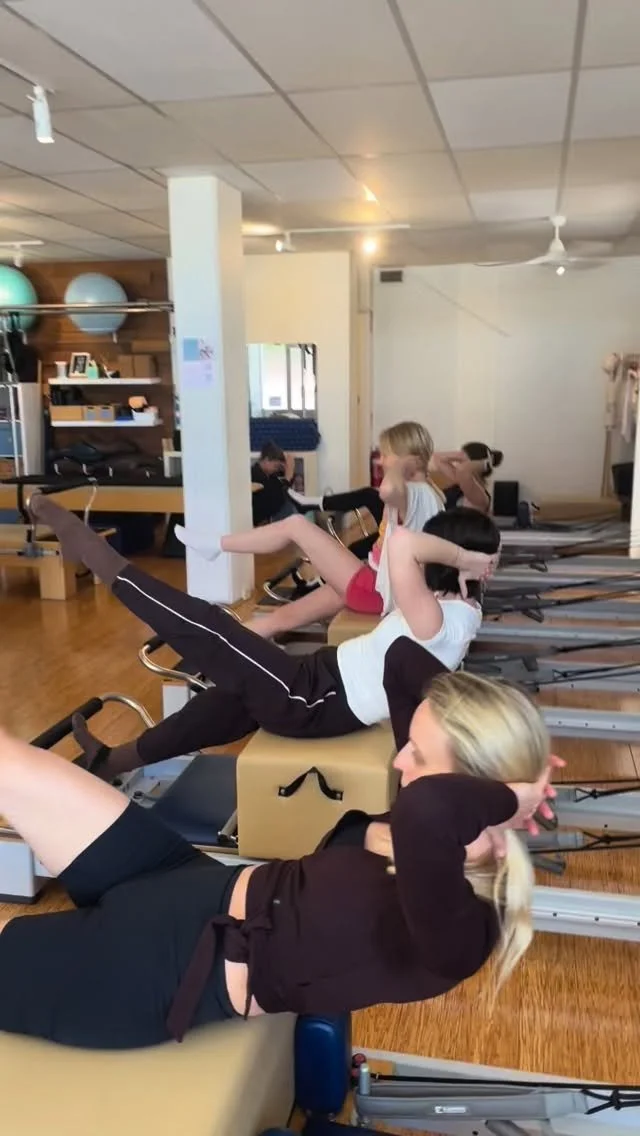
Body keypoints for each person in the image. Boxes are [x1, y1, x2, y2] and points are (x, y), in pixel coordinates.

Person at [0, 671, 561, 1049]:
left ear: (474, 785)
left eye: (419, 753)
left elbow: (429, 811)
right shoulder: (420, 827)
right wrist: (505, 777)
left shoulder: (466, 926)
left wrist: (509, 798)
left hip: (156, 970)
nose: (399, 762)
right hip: (178, 877)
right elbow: (402, 661)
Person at [29, 495, 499, 780]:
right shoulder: (439, 603)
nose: (490, 565)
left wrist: (465, 558)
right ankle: (109, 761)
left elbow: (402, 545)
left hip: (313, 703)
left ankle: (90, 550)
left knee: (211, 627)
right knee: (217, 709)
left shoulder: (443, 619)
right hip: (318, 677)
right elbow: (401, 543)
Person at [178, 421, 451, 642]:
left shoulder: (415, 493)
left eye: (386, 455)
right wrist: (412, 463)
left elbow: (387, 490)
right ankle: (218, 647)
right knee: (283, 618)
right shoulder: (429, 492)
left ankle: (216, 545)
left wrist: (402, 465)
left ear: (406, 458)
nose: (381, 462)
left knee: (296, 525)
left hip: (375, 591)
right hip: (375, 584)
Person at [444, 443, 504, 515]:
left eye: (462, 460)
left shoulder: (478, 495)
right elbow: (437, 459)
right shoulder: (458, 483)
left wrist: (485, 463)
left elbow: (462, 470)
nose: (457, 464)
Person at [250, 440, 297, 526]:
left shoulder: (271, 477)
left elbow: (283, 491)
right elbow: (275, 502)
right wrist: (287, 477)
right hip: (258, 523)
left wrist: (287, 471)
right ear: (266, 459)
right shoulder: (254, 475)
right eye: (276, 466)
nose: (277, 469)